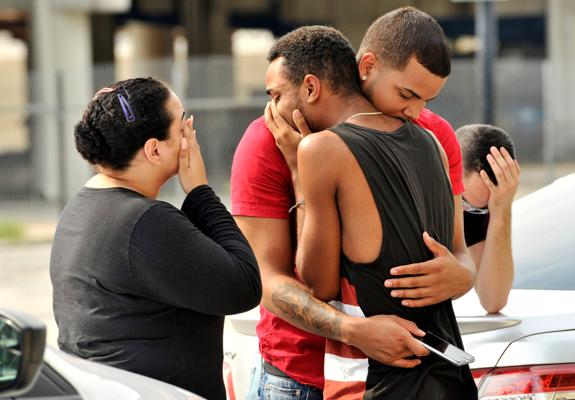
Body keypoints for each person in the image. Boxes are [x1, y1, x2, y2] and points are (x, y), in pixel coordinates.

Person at [264, 25, 476, 399]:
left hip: (374, 381)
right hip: (447, 378)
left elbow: (319, 285)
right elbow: (459, 254)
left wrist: (300, 174)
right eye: (408, 95)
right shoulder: (432, 144)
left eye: (424, 100)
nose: (416, 111)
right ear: (364, 68)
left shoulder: (320, 150)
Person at [50, 77, 261, 400]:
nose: (190, 134)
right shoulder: (144, 222)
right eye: (182, 126)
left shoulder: (80, 207)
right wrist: (201, 192)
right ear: (154, 149)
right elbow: (244, 286)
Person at [456, 124, 520, 313]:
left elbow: (493, 300)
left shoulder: (479, 207)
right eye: (464, 202)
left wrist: (501, 210)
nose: (464, 213)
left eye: (478, 210)